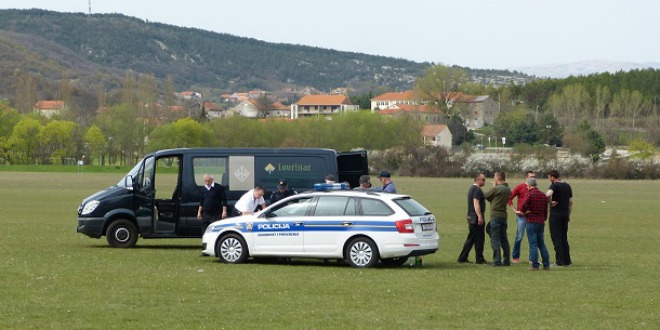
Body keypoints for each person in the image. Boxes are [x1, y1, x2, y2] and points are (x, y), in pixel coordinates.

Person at [520, 177, 551, 270]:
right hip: (541, 221)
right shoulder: (543, 195)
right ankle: (546, 264)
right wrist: (544, 219)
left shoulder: (530, 194)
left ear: (529, 186)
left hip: (531, 221)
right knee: (541, 243)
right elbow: (546, 210)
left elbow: (523, 206)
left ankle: (535, 265)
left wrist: (525, 212)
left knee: (533, 244)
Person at [458, 172, 487, 264]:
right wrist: (479, 216)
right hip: (475, 218)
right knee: (478, 238)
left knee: (473, 238)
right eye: (483, 179)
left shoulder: (471, 188)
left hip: (471, 217)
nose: (484, 181)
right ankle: (478, 258)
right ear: (477, 180)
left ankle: (465, 257)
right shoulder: (477, 190)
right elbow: (476, 202)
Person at [484, 171, 512, 266]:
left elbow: (486, 195)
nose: (494, 179)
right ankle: (506, 260)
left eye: (495, 177)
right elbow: (493, 198)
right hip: (503, 216)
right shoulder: (508, 189)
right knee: (503, 238)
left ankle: (497, 260)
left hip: (495, 215)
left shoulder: (497, 189)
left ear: (498, 178)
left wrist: (494, 186)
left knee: (495, 238)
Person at [546, 170, 573, 267]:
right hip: (565, 214)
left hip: (556, 215)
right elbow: (570, 201)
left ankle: (559, 261)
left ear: (552, 177)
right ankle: (567, 260)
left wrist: (550, 202)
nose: (549, 179)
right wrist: (569, 214)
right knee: (564, 237)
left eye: (549, 177)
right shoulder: (567, 185)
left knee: (556, 238)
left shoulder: (554, 185)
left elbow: (548, 194)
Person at [508, 170, 536, 263]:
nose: (533, 178)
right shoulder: (520, 187)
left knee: (532, 237)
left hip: (531, 216)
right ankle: (515, 257)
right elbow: (510, 198)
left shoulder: (535, 189)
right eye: (531, 177)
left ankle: (532, 258)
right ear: (526, 177)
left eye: (534, 177)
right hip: (521, 216)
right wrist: (514, 210)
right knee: (519, 236)